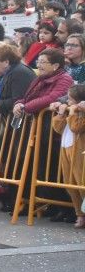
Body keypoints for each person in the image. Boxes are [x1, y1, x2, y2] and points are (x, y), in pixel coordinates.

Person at [50, 84, 85, 228]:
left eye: (70, 100)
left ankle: (83, 211)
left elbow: (76, 127)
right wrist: (60, 113)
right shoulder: (71, 108)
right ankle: (79, 214)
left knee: (81, 182)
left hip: (79, 151)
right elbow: (58, 129)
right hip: (66, 148)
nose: (68, 102)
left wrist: (72, 113)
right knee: (70, 184)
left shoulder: (80, 112)